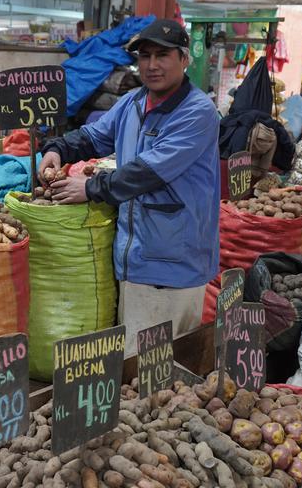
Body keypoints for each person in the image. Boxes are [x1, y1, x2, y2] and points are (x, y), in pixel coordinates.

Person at [38, 18, 220, 354]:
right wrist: (56, 148)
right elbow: (94, 135)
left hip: (174, 262)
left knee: (164, 370)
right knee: (135, 365)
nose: (151, 65)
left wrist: (90, 189)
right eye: (145, 56)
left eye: (162, 55)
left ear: (184, 59)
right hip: (135, 258)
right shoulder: (134, 102)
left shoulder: (197, 113)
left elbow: (148, 171)